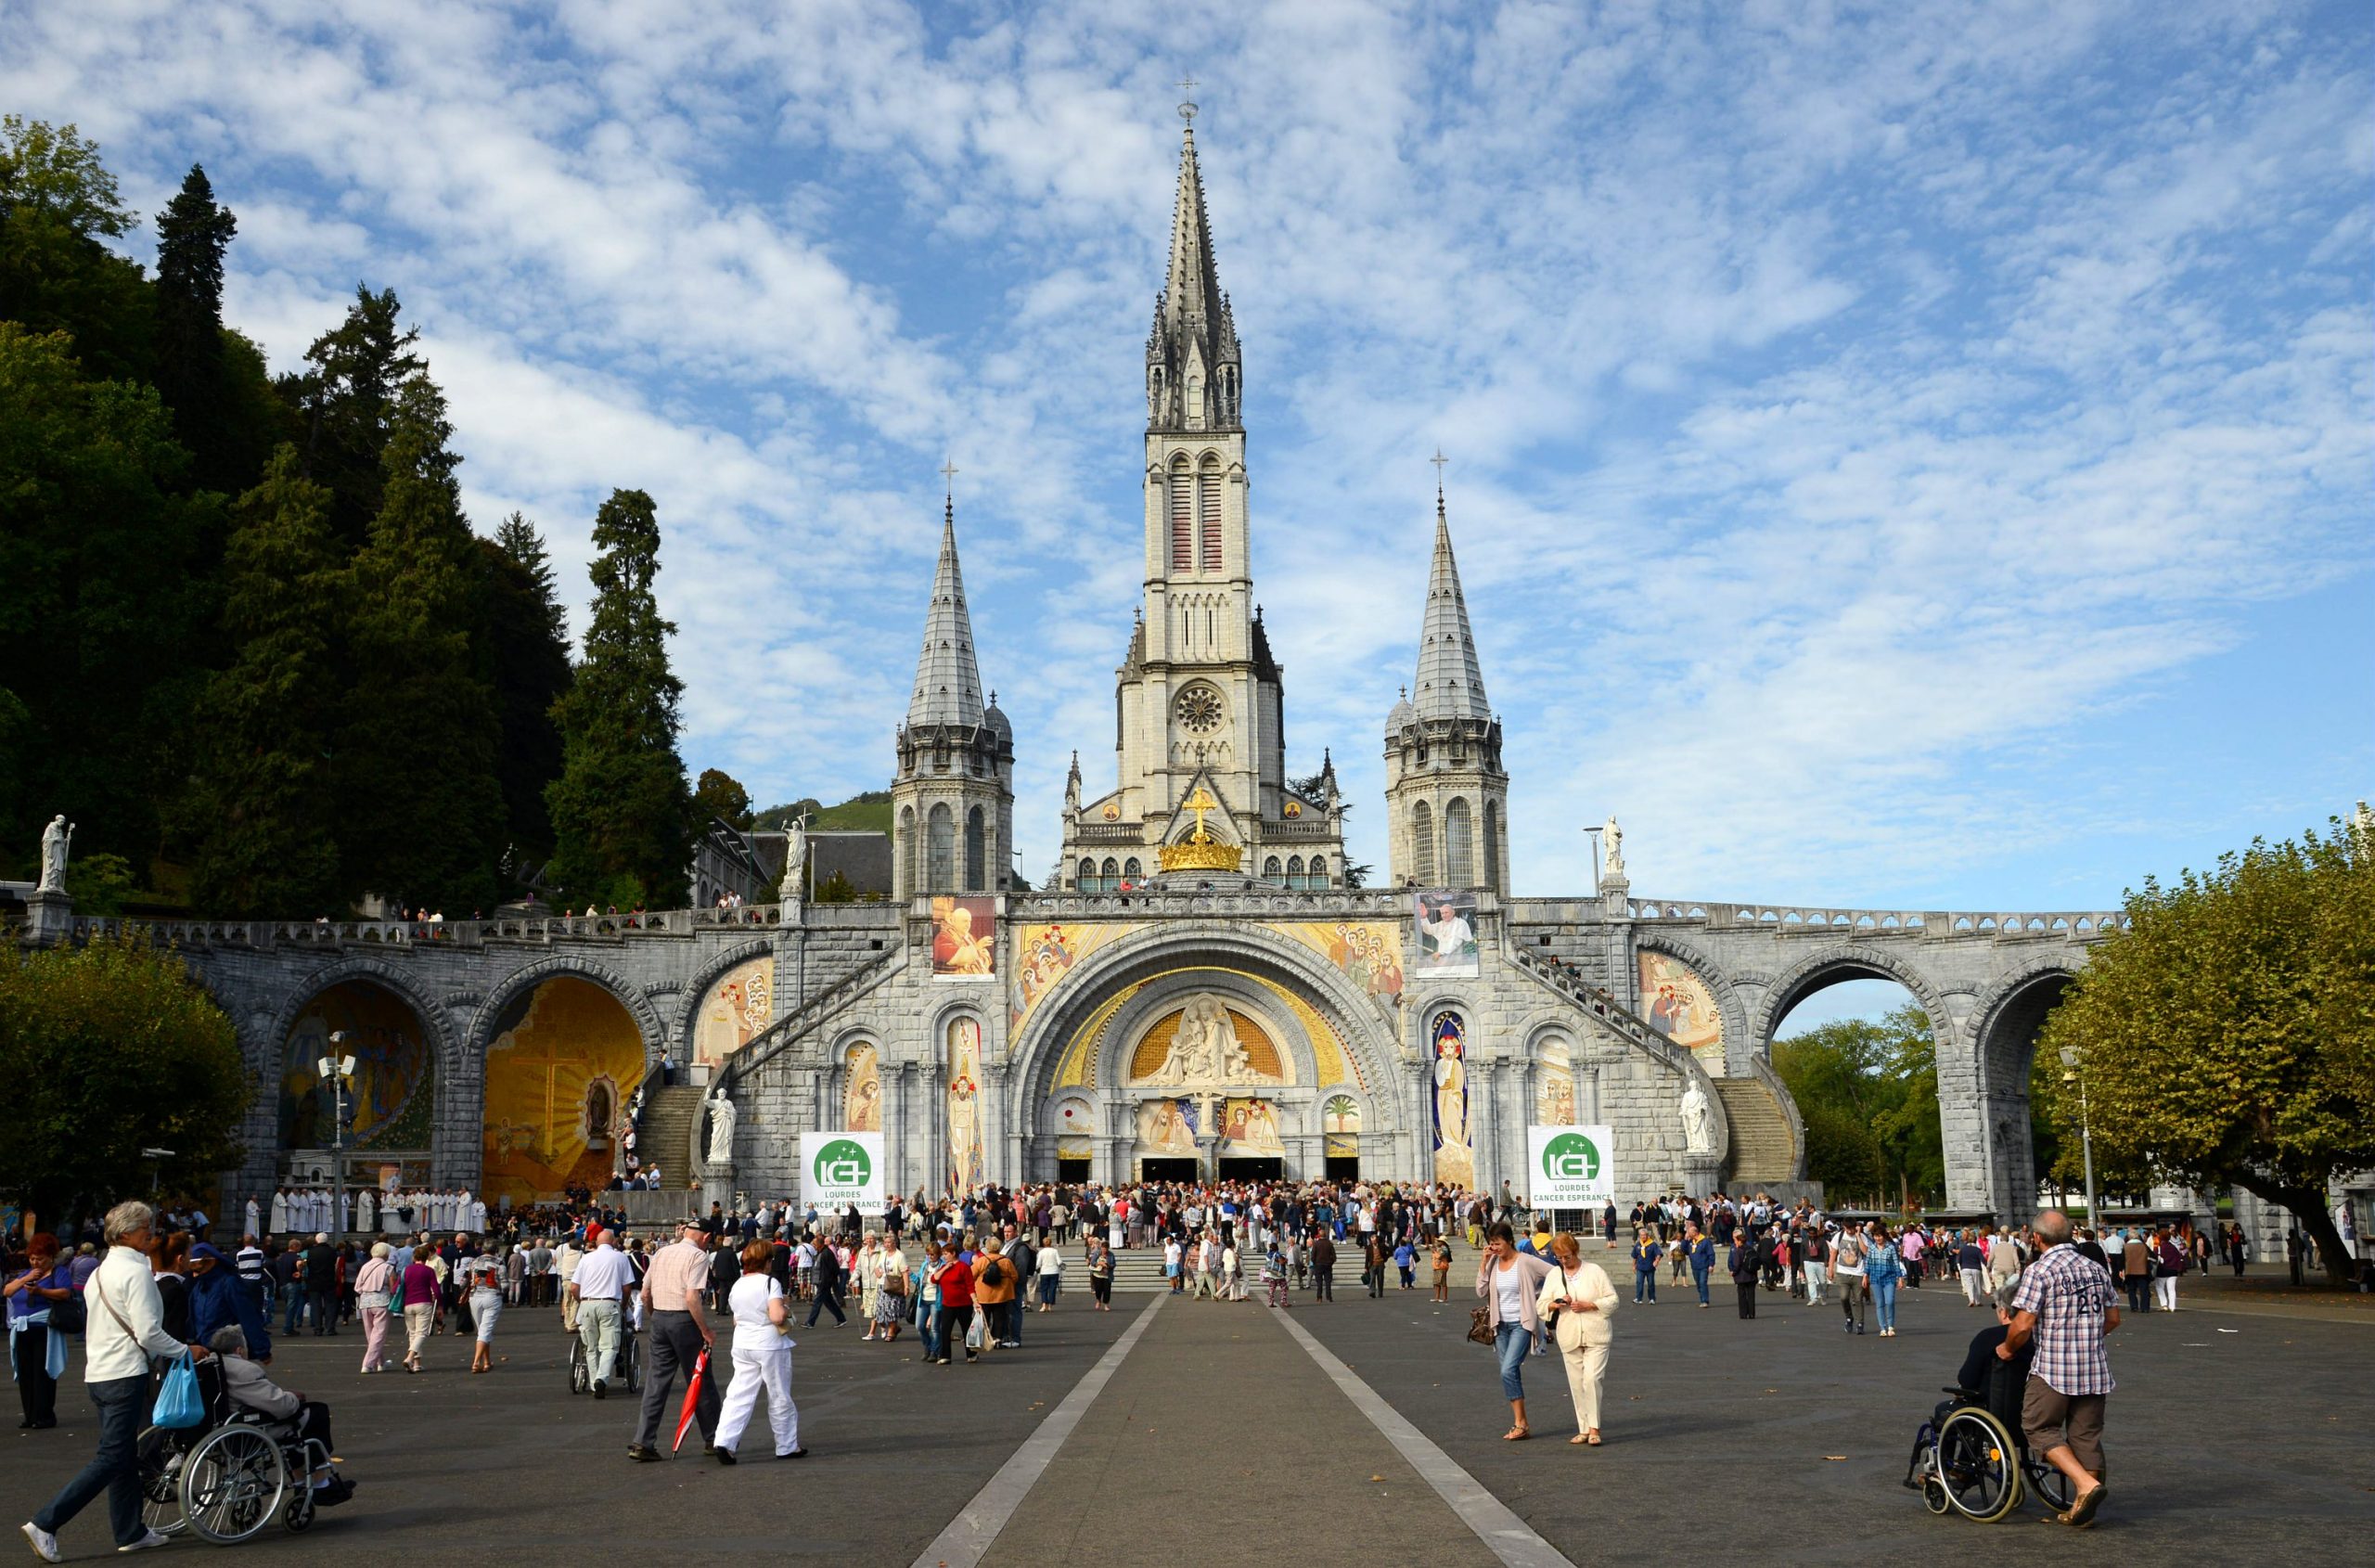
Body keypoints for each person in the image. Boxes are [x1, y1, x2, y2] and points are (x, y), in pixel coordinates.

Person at [21, 1201, 214, 1562]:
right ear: (126, 1233)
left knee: (124, 1456)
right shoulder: (137, 1272)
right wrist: (185, 1350)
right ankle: (46, 1522)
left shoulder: (99, 1272)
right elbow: (148, 1332)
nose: (151, 1233)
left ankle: (131, 1530)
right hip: (125, 1372)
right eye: (145, 1227)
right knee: (113, 1457)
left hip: (99, 1372)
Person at [2001, 1211, 2118, 1529]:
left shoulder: (2040, 1271)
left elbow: (2023, 1325)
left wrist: (2008, 1348)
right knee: (2086, 1436)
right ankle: (2083, 1508)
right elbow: (2113, 1319)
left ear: (2037, 1239)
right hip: (2094, 1367)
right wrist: (2088, 1336)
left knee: (2038, 1427)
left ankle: (2085, 1485)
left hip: (2054, 1368)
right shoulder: (2096, 1268)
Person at [208, 1325, 355, 1507]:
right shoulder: (243, 1370)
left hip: (221, 1426)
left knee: (297, 1423)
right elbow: (280, 1405)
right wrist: (293, 1397)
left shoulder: (208, 1364)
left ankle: (302, 1479)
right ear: (239, 1350)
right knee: (316, 1414)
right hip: (249, 1429)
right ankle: (319, 1483)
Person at [630, 1218, 720, 1461]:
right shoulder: (698, 1257)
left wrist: (655, 1316)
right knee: (699, 1379)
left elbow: (645, 1292)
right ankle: (714, 1438)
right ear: (705, 1237)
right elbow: (692, 1297)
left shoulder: (661, 1252)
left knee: (656, 1382)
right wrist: (705, 1330)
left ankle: (643, 1441)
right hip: (684, 1320)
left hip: (660, 1318)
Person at [712, 1241, 804, 1462]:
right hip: (769, 1343)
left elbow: (736, 1318)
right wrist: (783, 1306)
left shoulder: (738, 1284)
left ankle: (725, 1441)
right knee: (779, 1394)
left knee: (738, 1394)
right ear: (766, 1261)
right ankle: (786, 1445)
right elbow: (777, 1317)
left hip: (743, 1342)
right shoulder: (770, 1283)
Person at [1474, 1221, 1556, 1442]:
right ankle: (1521, 1423)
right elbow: (1481, 1291)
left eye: (1498, 1243)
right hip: (1499, 1324)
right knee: (1509, 1372)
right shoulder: (1492, 1264)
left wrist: (1542, 1297)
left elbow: (1554, 1273)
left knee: (1507, 1370)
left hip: (1522, 1323)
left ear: (1509, 1240)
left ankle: (1521, 1423)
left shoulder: (1526, 1261)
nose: (1495, 1248)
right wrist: (1484, 1262)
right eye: (1491, 1244)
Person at [1536, 1233, 1619, 1445]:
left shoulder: (1594, 1271)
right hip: (1569, 1334)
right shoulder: (1555, 1275)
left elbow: (1613, 1300)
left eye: (1567, 1257)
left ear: (1576, 1252)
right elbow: (1541, 1305)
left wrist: (1590, 1305)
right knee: (1576, 1384)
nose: (1564, 1261)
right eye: (1559, 1257)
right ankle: (1583, 1428)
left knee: (1591, 1380)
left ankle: (1594, 1428)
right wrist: (1555, 1304)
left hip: (1596, 1333)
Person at [4, 1233, 71, 1430]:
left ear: (51, 1257)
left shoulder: (58, 1273)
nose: (36, 1262)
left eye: (40, 1258)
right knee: (25, 1373)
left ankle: (44, 1414)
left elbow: (64, 1293)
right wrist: (27, 1277)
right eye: (32, 1258)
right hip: (22, 1328)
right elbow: (7, 1291)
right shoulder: (26, 1273)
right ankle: (29, 1414)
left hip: (43, 1328)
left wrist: (41, 1291)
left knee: (42, 1372)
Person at [569, 1227, 633, 1397]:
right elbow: (627, 1288)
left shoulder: (586, 1258)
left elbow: (574, 1288)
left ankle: (593, 1383)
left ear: (596, 1243)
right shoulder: (620, 1258)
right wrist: (624, 1305)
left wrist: (581, 1302)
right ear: (613, 1242)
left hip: (588, 1303)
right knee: (610, 1346)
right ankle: (602, 1379)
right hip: (609, 1303)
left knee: (591, 1347)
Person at [185, 1243, 273, 1366]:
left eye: (196, 1267)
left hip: (227, 1350)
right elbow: (192, 1318)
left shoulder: (229, 1283)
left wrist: (262, 1349)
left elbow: (247, 1315)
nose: (194, 1272)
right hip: (205, 1351)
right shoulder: (199, 1286)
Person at [396, 1242, 440, 1372]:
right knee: (422, 1333)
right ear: (427, 1258)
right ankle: (410, 1358)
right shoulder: (429, 1271)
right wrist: (440, 1306)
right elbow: (437, 1290)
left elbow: (396, 1288)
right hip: (424, 1302)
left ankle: (416, 1363)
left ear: (414, 1257)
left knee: (413, 1334)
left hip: (408, 1304)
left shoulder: (406, 1270)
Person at [354, 1243, 396, 1372]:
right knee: (378, 1334)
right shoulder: (388, 1268)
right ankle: (368, 1364)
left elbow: (357, 1286)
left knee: (371, 1334)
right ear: (385, 1254)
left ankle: (381, 1362)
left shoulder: (365, 1266)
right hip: (381, 1301)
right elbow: (393, 1287)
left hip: (365, 1302)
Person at [934, 1243, 978, 1365]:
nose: (944, 1256)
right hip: (947, 1304)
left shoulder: (964, 1267)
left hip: (963, 1304)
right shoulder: (944, 1267)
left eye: (946, 1254)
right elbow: (934, 1279)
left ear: (953, 1253)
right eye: (943, 1254)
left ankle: (972, 1353)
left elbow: (970, 1286)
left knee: (966, 1330)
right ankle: (945, 1355)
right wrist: (944, 1268)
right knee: (945, 1330)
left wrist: (975, 1301)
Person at [465, 1250, 504, 1372]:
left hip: (475, 1296)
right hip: (492, 1296)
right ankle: (476, 1363)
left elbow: (464, 1280)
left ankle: (487, 1362)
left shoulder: (474, 1261)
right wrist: (501, 1291)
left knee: (482, 1330)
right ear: (495, 1250)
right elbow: (505, 1284)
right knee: (485, 1331)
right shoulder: (499, 1262)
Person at [1867, 1223, 1904, 1337]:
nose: (1878, 1238)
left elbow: (1896, 1263)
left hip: (1889, 1278)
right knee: (1880, 1303)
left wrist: (1900, 1278)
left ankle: (1891, 1326)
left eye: (1880, 1235)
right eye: (1875, 1236)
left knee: (1890, 1301)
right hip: (1875, 1278)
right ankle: (1883, 1328)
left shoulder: (1891, 1247)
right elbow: (1868, 1263)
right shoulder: (1871, 1248)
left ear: (1884, 1235)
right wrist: (1865, 1276)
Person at [1833, 1223, 1868, 1335]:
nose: (1849, 1231)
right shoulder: (1839, 1236)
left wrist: (1858, 1236)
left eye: (1852, 1229)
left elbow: (1865, 1251)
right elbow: (1833, 1252)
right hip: (1843, 1272)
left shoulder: (1862, 1237)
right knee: (1844, 1297)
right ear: (1844, 1227)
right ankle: (1849, 1317)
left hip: (1858, 1273)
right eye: (1847, 1229)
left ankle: (1860, 1323)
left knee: (1858, 1299)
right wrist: (1830, 1268)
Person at [1727, 1230, 1760, 1318]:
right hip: (1752, 1275)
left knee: (1742, 1295)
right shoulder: (1751, 1249)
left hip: (1742, 1275)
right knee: (1751, 1295)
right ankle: (1752, 1313)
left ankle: (1743, 1313)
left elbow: (1737, 1264)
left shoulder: (1739, 1251)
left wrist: (1733, 1272)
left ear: (1739, 1241)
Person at [1629, 1229, 1661, 1305]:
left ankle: (1652, 1298)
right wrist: (1633, 1265)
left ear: (1647, 1235)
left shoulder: (1653, 1244)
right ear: (1640, 1236)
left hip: (1650, 1267)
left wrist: (1656, 1261)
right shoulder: (1637, 1244)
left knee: (1650, 1283)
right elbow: (1634, 1256)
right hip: (1640, 1267)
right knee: (1639, 1283)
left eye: (1645, 1235)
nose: (1643, 1236)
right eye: (1642, 1235)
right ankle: (1639, 1298)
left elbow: (1658, 1254)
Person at [1085, 1235, 1114, 1312]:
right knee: (1098, 1290)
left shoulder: (1111, 1255)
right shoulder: (1097, 1253)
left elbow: (1113, 1264)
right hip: (1097, 1274)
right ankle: (1098, 1300)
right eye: (1103, 1248)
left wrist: (1108, 1265)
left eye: (1106, 1249)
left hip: (1107, 1275)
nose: (1104, 1250)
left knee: (1107, 1290)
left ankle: (1106, 1305)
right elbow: (1092, 1262)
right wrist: (1099, 1264)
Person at [1310, 1230, 1336, 1302]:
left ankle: (1319, 1297)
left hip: (1318, 1265)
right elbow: (1334, 1256)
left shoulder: (1316, 1244)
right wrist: (1331, 1262)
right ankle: (1329, 1297)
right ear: (1325, 1235)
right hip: (1328, 1265)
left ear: (1319, 1235)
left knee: (1319, 1282)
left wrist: (1315, 1262)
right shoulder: (1329, 1244)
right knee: (1328, 1282)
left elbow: (1312, 1256)